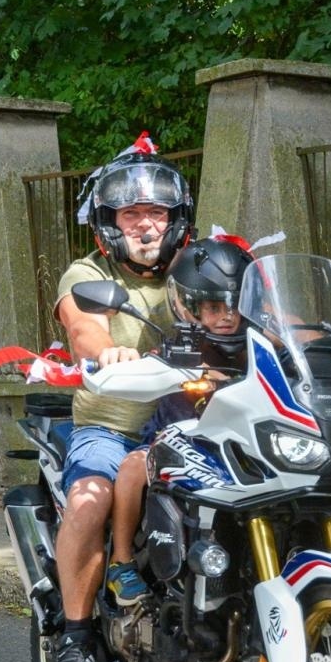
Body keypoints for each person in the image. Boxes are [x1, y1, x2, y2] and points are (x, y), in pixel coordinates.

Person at [49, 142, 194, 662]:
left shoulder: (197, 264)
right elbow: (84, 327)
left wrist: (325, 344)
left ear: (174, 219)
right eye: (131, 215)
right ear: (109, 223)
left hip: (192, 424)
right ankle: (77, 638)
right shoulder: (89, 272)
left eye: (156, 213)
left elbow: (262, 311)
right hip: (112, 426)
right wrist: (107, 349)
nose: (146, 225)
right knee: (91, 495)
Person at [105, 236, 255, 606]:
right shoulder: (179, 348)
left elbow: (303, 339)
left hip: (237, 450)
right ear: (189, 308)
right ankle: (120, 562)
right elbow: (153, 365)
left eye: (234, 306)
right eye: (214, 307)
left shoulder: (259, 343)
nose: (226, 316)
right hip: (174, 443)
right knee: (133, 466)